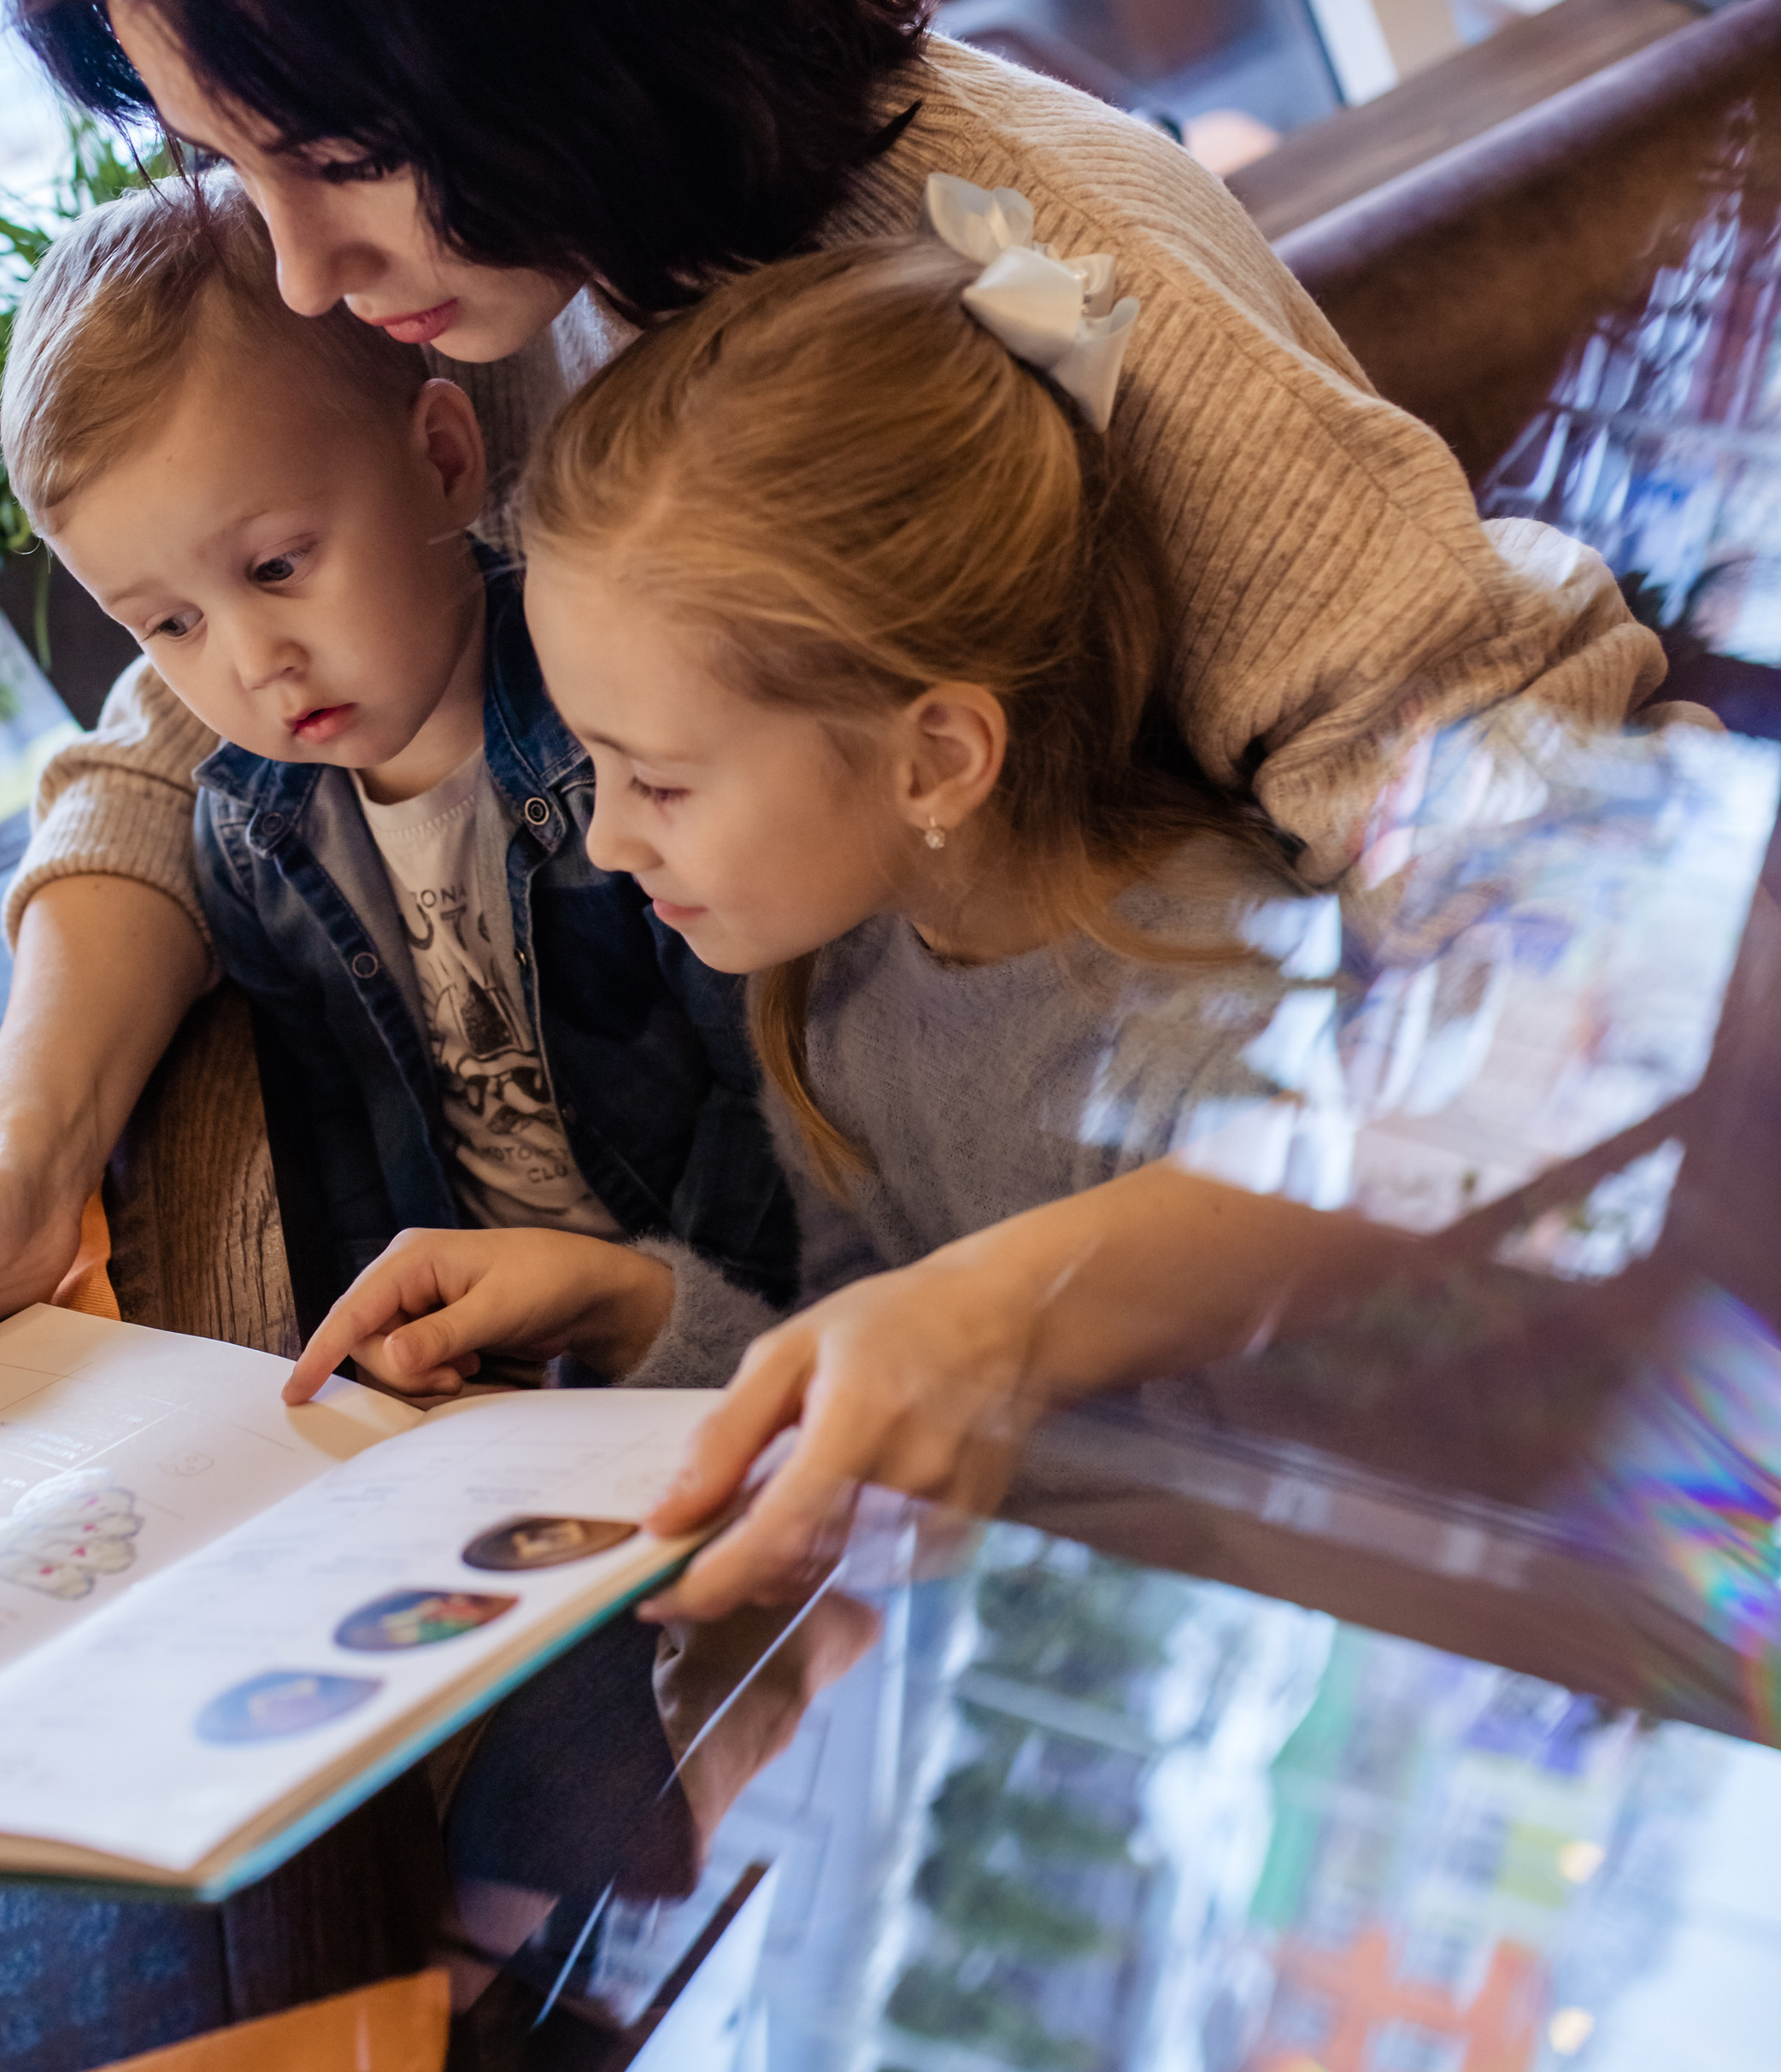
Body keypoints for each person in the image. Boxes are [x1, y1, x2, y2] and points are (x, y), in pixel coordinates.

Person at [0, 0, 1659, 1426]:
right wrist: (23, 1154)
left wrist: (993, 1321)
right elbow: (174, 732)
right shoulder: (510, 282)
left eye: (339, 162)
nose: (303, 272)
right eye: (233, 172)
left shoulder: (1040, 269)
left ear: (563, 15)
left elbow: (1570, 943)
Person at [298, 203, 1708, 1617]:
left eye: (657, 780)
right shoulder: (832, 983)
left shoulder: (1215, 1026)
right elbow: (883, 1361)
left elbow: (1266, 1525)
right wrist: (634, 1309)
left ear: (937, 759)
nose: (606, 841)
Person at [0, 173, 789, 1428]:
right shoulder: (249, 833)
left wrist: (660, 1334)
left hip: (701, 1333)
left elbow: (766, 1092)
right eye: (170, 625)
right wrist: (376, 1354)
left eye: (277, 566)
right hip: (486, 1380)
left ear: (443, 460)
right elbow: (340, 1146)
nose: (252, 664)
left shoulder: (619, 736)